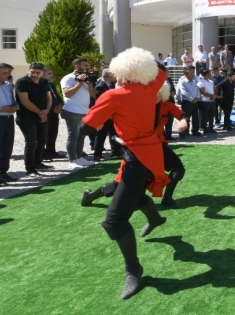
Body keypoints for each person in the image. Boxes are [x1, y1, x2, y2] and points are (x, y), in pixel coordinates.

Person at [79, 48, 171, 299]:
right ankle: (155, 219)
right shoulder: (151, 87)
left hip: (137, 159)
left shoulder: (114, 96)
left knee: (114, 220)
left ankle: (134, 269)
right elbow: (160, 69)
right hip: (147, 154)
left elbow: (85, 127)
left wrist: (101, 119)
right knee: (129, 194)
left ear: (122, 72)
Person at [82, 81, 190, 208]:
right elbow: (112, 113)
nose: (155, 95)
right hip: (136, 148)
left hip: (157, 146)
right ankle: (90, 196)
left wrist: (183, 121)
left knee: (178, 168)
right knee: (121, 186)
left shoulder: (166, 106)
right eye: (152, 92)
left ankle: (167, 198)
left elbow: (182, 114)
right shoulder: (137, 106)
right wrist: (99, 122)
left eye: (158, 93)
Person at [14, 62, 53, 177]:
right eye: (33, 72)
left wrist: (46, 111)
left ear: (42, 73)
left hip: (42, 115)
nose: (35, 74)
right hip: (26, 117)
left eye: (38, 72)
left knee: (42, 140)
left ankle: (38, 162)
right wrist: (40, 112)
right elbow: (24, 101)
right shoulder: (22, 82)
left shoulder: (44, 82)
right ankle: (30, 169)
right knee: (31, 142)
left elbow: (49, 98)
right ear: (28, 70)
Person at [61, 58, 96, 169]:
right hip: (72, 111)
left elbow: (93, 95)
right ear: (76, 66)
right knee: (73, 135)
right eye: (85, 65)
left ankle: (79, 158)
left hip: (84, 111)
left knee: (82, 135)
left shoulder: (86, 79)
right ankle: (72, 161)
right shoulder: (68, 78)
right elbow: (67, 94)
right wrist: (80, 83)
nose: (88, 68)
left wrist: (89, 84)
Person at [93, 69, 117, 161]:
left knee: (113, 132)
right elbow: (99, 102)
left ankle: (115, 151)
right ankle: (97, 154)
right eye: (113, 74)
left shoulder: (111, 85)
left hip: (112, 114)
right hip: (104, 114)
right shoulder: (100, 86)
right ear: (108, 76)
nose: (114, 76)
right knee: (101, 134)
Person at [42, 68, 64, 161]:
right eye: (49, 73)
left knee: (53, 132)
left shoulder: (51, 84)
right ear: (42, 75)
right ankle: (43, 153)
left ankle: (51, 150)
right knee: (44, 133)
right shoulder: (41, 85)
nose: (52, 75)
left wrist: (60, 105)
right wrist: (51, 109)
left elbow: (57, 96)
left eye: (52, 73)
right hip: (47, 113)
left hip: (55, 113)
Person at [176, 67, 201, 138]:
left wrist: (197, 98)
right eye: (190, 74)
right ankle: (184, 132)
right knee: (186, 117)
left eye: (192, 74)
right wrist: (191, 99)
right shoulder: (182, 82)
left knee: (195, 117)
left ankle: (195, 131)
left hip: (195, 102)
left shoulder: (193, 82)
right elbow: (184, 92)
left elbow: (197, 91)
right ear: (186, 75)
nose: (192, 75)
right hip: (187, 102)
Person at [197, 69, 217, 134]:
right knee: (205, 115)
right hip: (204, 101)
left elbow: (214, 89)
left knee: (212, 115)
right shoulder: (200, 82)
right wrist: (211, 96)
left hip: (211, 101)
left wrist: (214, 96)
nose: (211, 74)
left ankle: (211, 128)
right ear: (206, 74)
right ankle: (204, 128)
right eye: (209, 73)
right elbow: (202, 92)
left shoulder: (211, 81)